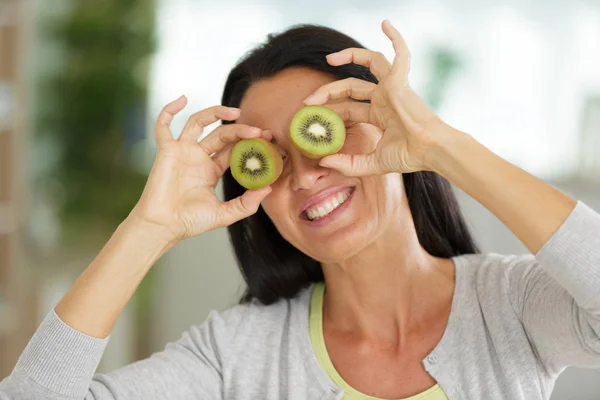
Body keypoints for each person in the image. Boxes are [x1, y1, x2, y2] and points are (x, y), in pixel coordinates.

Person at [1, 20, 599, 400]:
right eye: (270, 158)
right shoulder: (237, 353)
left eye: (323, 132)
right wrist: (147, 228)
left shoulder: (512, 308)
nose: (307, 174)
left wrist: (442, 147)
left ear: (387, 127)